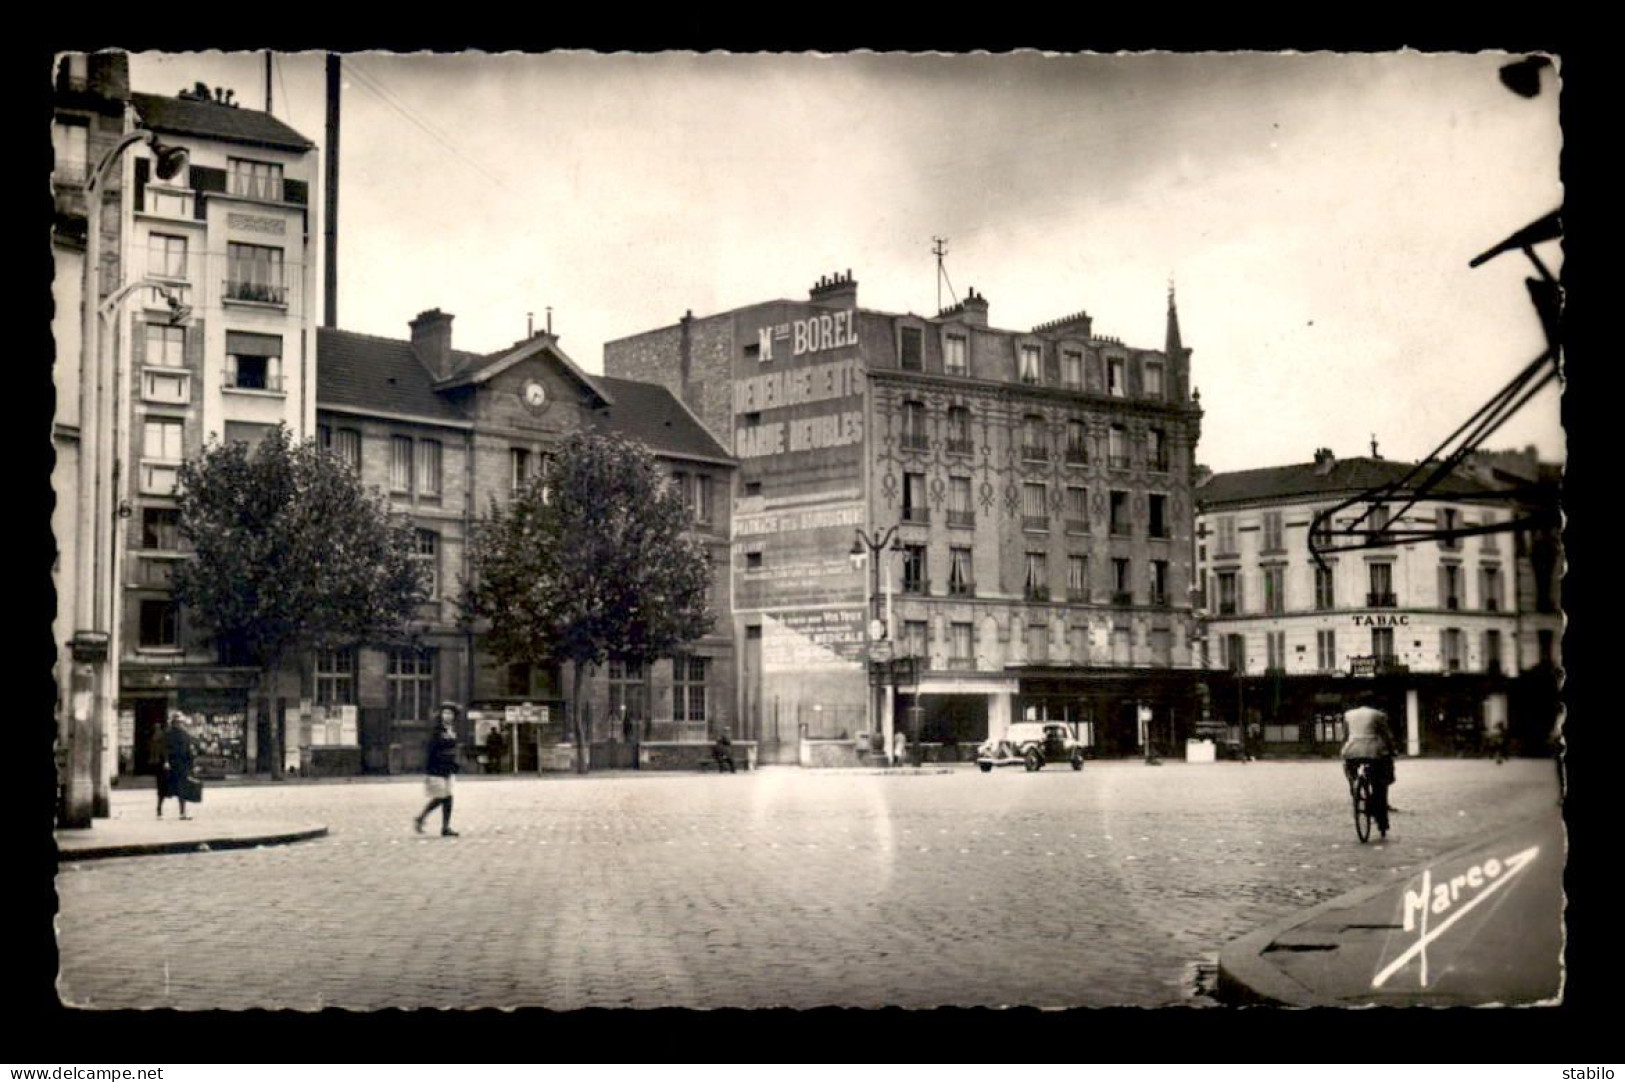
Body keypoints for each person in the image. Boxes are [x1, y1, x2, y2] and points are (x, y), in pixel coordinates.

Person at [1341, 697, 1399, 840]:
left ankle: (1354, 787)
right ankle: (1382, 822)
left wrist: (1343, 750)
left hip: (1352, 751)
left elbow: (1345, 736)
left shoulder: (1348, 715)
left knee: (1348, 768)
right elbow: (1386, 736)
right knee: (1380, 786)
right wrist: (1392, 750)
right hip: (1373, 753)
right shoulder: (1379, 715)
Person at [414, 704, 462, 836]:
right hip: (436, 766)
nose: (447, 716)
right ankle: (422, 818)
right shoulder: (436, 730)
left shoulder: (452, 729)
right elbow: (431, 749)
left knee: (448, 796)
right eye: (445, 713)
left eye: (450, 713)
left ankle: (444, 826)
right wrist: (430, 767)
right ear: (440, 715)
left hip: (448, 766)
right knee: (442, 796)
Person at [159, 712, 196, 821]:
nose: (179, 724)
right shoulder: (169, 734)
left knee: (180, 790)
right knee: (166, 789)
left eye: (180, 722)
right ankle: (160, 810)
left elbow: (189, 751)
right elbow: (164, 749)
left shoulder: (184, 735)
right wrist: (166, 761)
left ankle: (182, 813)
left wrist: (191, 765)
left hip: (180, 765)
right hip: (173, 765)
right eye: (177, 722)